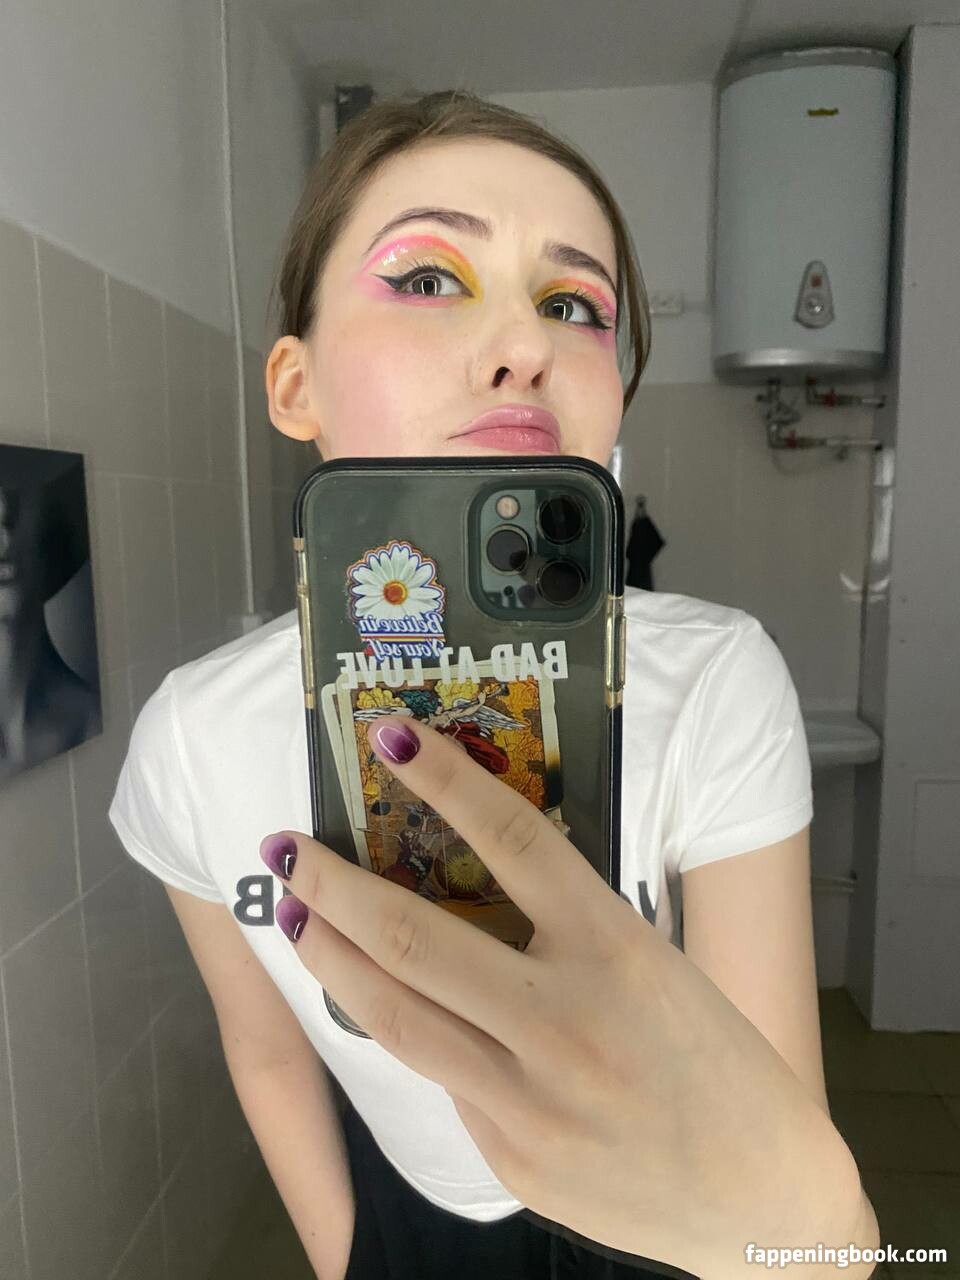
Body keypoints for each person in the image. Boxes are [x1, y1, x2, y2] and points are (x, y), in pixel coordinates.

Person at [109, 90, 876, 1279]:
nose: (527, 343)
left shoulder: (718, 677)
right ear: (296, 386)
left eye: (574, 305)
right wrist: (346, 1255)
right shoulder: (190, 739)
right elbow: (266, 1050)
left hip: (666, 1222)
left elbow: (777, 1127)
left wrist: (825, 1237)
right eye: (428, 277)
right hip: (404, 1221)